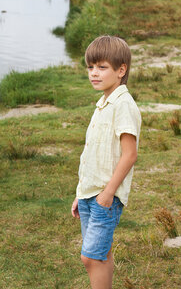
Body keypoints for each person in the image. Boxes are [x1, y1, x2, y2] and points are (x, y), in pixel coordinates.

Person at [70, 36, 141, 288]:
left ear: (121, 70)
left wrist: (108, 193)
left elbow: (129, 154)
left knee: (90, 257)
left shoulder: (123, 105)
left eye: (102, 67)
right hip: (90, 194)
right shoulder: (102, 103)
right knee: (101, 253)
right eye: (90, 67)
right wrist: (81, 193)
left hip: (105, 197)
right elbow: (92, 155)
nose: (93, 73)